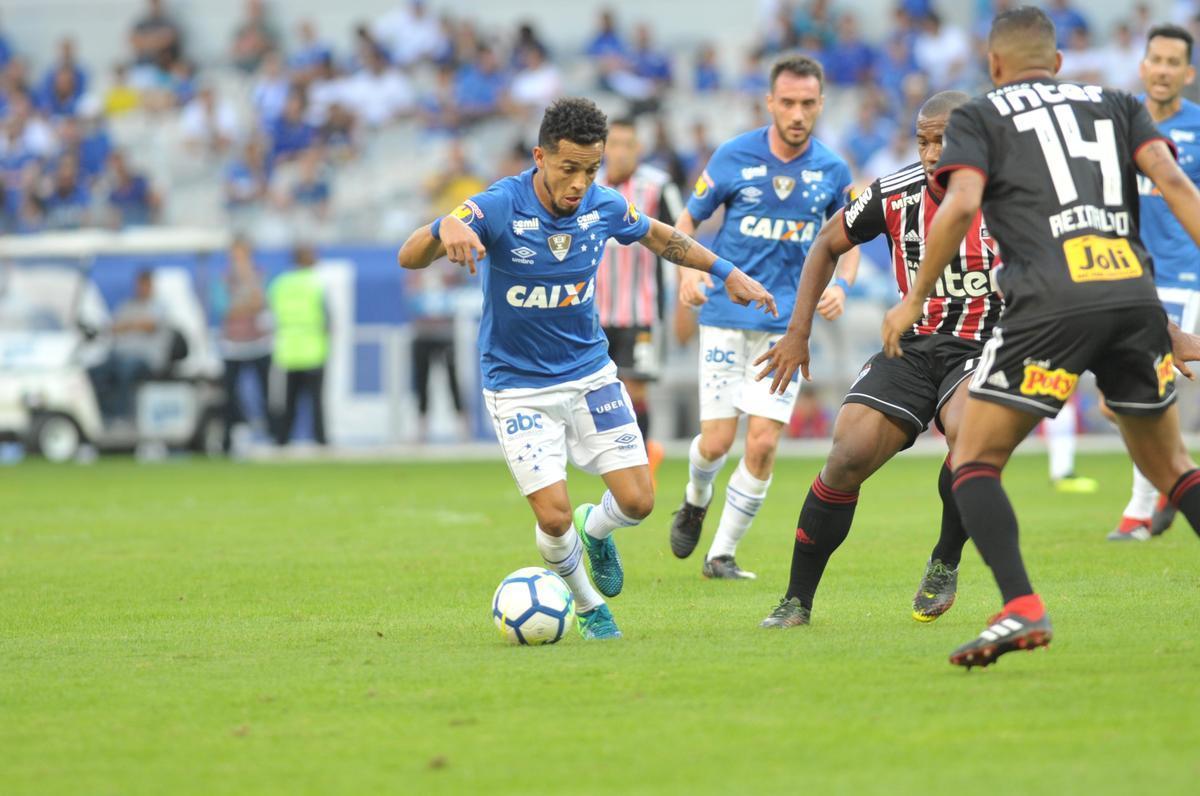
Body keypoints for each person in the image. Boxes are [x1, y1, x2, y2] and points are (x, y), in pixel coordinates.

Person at [881, 6, 1200, 668]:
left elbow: (962, 202)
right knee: (1173, 469)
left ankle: (1020, 606)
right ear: (1057, 63)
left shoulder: (979, 116)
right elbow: (1173, 184)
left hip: (1050, 304)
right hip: (1133, 295)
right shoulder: (1118, 103)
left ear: (994, 67)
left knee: (972, 460)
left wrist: (913, 298)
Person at [398, 98, 775, 640]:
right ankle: (589, 604)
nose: (579, 183)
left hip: (590, 374)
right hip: (518, 386)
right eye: (568, 168)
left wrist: (727, 270)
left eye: (591, 169)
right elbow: (409, 256)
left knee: (640, 502)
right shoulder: (499, 204)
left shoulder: (603, 205)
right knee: (551, 518)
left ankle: (594, 531)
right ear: (540, 157)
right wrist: (441, 228)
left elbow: (662, 236)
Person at [755, 90, 1003, 629]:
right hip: (911, 343)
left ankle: (945, 557)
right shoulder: (894, 192)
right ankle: (797, 601)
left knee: (969, 431)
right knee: (848, 452)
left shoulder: (1014, 192)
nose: (933, 152)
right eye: (924, 140)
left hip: (987, 343)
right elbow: (826, 243)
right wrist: (798, 334)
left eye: (946, 140)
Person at [668, 54, 854, 580]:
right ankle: (695, 498)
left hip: (786, 331)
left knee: (764, 441)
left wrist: (842, 283)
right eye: (788, 102)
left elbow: (854, 236)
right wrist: (686, 273)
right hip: (727, 317)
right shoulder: (732, 156)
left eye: (808, 104)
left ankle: (721, 554)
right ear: (770, 102)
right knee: (717, 443)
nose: (798, 113)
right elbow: (687, 221)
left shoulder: (833, 170)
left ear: (821, 104)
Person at [1109, 24, 1200, 541]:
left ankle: (1141, 510)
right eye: (1156, 60)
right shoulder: (1119, 122)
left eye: (1174, 62)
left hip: (1182, 278)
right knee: (1117, 393)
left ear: (1187, 74)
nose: (1163, 69)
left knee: (1148, 386)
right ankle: (1169, 479)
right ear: (1142, 66)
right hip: (1123, 276)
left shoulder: (1199, 128)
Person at [596, 117, 683, 485]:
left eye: (627, 145)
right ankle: (617, 459)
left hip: (641, 310)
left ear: (639, 149)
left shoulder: (657, 188)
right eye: (613, 144)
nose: (620, 152)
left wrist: (684, 302)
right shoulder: (587, 185)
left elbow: (681, 242)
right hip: (594, 312)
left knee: (635, 389)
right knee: (598, 391)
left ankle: (642, 462)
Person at [87, 269, 172, 421]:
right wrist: (129, 325)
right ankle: (101, 414)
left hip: (147, 359)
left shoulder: (159, 306)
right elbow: (113, 327)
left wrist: (128, 325)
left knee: (125, 369)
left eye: (146, 284)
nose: (142, 288)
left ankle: (123, 415)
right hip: (120, 355)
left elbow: (149, 325)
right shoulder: (127, 305)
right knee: (95, 372)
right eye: (140, 284)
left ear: (151, 285)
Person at [214, 237, 273, 452]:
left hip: (259, 344)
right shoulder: (223, 278)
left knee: (265, 394)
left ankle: (269, 437)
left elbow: (263, 301)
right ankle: (228, 441)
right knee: (230, 396)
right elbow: (224, 309)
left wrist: (247, 282)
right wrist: (247, 306)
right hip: (232, 346)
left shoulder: (260, 275)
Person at [269, 244, 329, 446]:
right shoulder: (316, 282)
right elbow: (326, 315)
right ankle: (321, 440)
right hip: (313, 348)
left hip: (288, 349)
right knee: (316, 401)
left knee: (288, 401)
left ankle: (282, 440)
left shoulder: (280, 283)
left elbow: (271, 313)